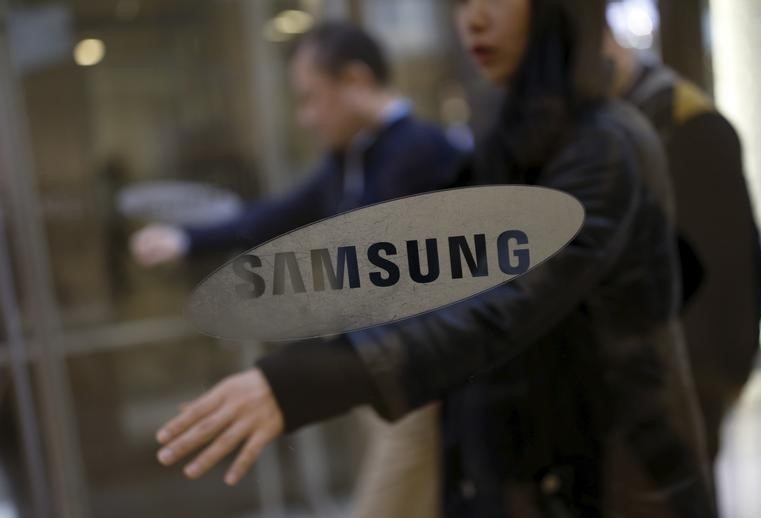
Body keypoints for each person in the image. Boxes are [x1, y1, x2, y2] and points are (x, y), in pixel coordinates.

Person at [153, 1, 716, 517]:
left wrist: (303, 380)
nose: (472, 19)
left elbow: (502, 305)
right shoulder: (507, 141)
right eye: (462, 1)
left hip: (611, 477)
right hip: (525, 463)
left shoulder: (601, 145)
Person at [130, 22, 465, 267]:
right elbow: (277, 215)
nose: (306, 118)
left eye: (310, 98)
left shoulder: (418, 151)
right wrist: (186, 239)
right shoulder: (352, 157)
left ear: (355, 79)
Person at [604, 29, 761, 463]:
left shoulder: (683, 120)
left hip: (684, 381)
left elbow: (726, 271)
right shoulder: (626, 117)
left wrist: (716, 380)